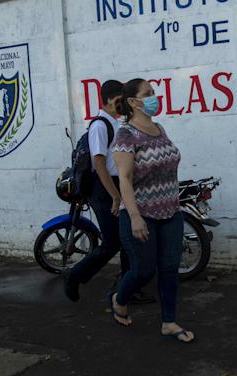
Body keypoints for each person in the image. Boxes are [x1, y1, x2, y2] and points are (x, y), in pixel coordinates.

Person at [108, 78, 194, 343]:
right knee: (144, 270)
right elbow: (124, 178)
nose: (154, 97)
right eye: (148, 94)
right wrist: (134, 216)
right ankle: (119, 298)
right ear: (133, 102)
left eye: (153, 92)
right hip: (140, 213)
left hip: (171, 211)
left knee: (169, 268)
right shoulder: (126, 134)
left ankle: (169, 322)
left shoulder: (159, 128)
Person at [61, 79, 154, 305]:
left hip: (116, 185)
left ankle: (125, 289)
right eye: (118, 100)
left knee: (127, 239)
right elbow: (99, 164)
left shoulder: (116, 123)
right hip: (103, 188)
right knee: (113, 242)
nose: (121, 104)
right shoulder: (100, 125)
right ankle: (75, 275)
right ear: (107, 101)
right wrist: (114, 195)